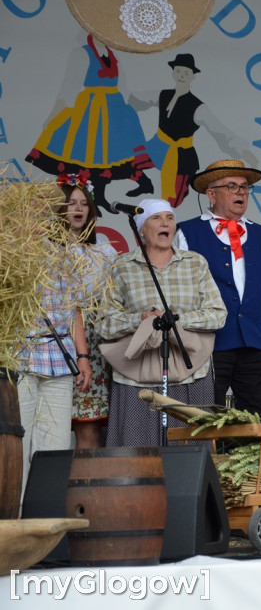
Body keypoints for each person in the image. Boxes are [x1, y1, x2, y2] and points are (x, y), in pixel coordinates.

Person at [174, 159, 261, 423]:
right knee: (206, 421)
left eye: (245, 187)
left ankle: (260, 466)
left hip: (255, 344)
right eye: (231, 186)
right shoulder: (187, 232)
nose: (241, 192)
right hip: (209, 344)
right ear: (211, 195)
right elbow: (179, 293)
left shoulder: (259, 234)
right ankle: (210, 465)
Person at [97, 199, 227, 446]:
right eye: (156, 218)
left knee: (191, 450)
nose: (165, 223)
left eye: (169, 218)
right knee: (136, 454)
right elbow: (104, 322)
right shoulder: (121, 266)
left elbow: (218, 314)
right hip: (136, 375)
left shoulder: (195, 262)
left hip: (191, 371)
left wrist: (176, 319)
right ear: (141, 229)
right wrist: (141, 319)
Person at [26, 33, 154, 213]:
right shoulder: (82, 53)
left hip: (113, 110)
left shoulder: (112, 55)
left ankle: (106, 195)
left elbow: (123, 88)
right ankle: (94, 199)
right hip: (91, 110)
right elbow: (69, 87)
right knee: (91, 156)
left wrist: (133, 108)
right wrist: (54, 114)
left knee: (108, 158)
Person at [18, 184, 92, 495]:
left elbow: (73, 308)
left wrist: (83, 356)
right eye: (33, 209)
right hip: (20, 358)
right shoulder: (10, 251)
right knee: (16, 442)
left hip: (60, 362)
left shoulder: (62, 253)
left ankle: (46, 513)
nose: (39, 215)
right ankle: (14, 512)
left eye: (44, 210)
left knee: (57, 444)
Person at [127, 53, 261, 207]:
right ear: (173, 73)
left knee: (174, 201)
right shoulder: (163, 95)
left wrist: (245, 153)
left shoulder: (198, 107)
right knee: (126, 162)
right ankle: (144, 183)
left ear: (193, 76)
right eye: (178, 71)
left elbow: (220, 131)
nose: (182, 76)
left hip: (181, 156)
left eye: (186, 73)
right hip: (158, 145)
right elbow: (134, 99)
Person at [58, 174, 118, 449]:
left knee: (88, 425)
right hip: (57, 340)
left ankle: (85, 489)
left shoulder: (102, 246)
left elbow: (116, 292)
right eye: (72, 203)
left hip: (92, 343)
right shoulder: (47, 249)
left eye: (84, 203)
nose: (79, 208)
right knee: (53, 425)